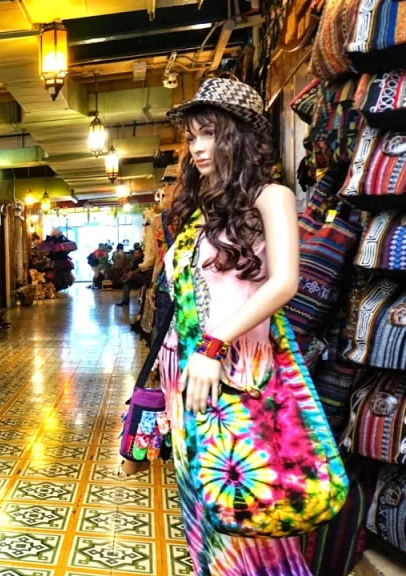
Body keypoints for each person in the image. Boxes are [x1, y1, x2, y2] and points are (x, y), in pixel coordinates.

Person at [154, 78, 307, 575]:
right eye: (192, 136)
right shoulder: (205, 212)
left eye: (210, 134)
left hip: (238, 372)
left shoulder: (272, 196)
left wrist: (214, 344)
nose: (197, 147)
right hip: (188, 374)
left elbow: (284, 282)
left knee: (248, 509)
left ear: (239, 136)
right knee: (202, 506)